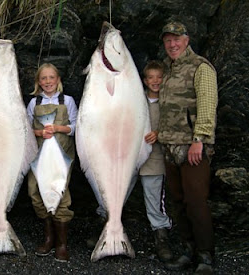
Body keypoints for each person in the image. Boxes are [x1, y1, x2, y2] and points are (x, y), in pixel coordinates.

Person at [86, 61, 173, 263]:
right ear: (143, 80)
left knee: (154, 200)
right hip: (126, 156)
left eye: (159, 77)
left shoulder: (169, 101)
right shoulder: (133, 96)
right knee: (113, 193)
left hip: (154, 158)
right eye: (150, 77)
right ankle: (105, 225)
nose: (155, 81)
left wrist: (160, 134)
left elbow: (175, 125)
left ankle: (161, 237)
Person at [158, 22, 218, 274]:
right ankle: (188, 250)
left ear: (187, 39)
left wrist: (199, 140)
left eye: (176, 39)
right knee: (178, 202)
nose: (172, 44)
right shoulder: (168, 69)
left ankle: (205, 256)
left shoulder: (200, 67)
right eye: (168, 40)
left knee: (196, 202)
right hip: (170, 146)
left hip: (192, 146)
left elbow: (207, 104)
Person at [26, 63, 78, 262]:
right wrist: (40, 132)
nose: (48, 82)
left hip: (61, 157)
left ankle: (61, 243)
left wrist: (57, 128)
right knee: (36, 193)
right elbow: (25, 128)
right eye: (43, 78)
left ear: (58, 80)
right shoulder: (33, 103)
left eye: (51, 78)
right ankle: (48, 238)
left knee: (60, 193)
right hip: (39, 156)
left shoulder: (69, 101)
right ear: (38, 82)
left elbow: (75, 126)